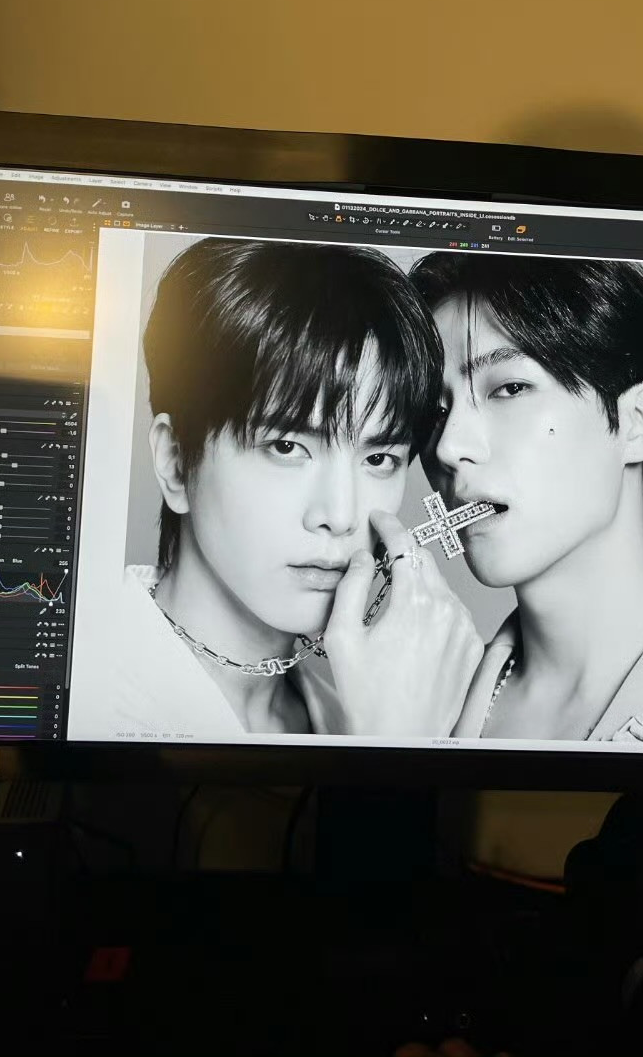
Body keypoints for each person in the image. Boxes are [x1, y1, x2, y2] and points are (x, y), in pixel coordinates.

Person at [69, 238, 482, 742]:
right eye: (287, 448)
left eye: (378, 459)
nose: (340, 516)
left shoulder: (349, 717)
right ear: (174, 461)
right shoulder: (77, 692)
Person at [410, 252, 643, 746]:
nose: (448, 447)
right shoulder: (424, 713)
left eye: (509, 388)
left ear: (638, 421)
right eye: (434, 410)